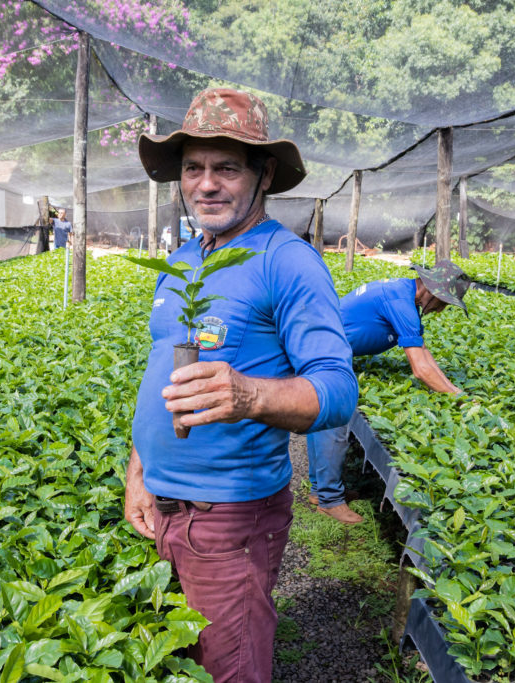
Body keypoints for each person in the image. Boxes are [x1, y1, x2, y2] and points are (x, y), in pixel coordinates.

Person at [124, 87, 358, 682]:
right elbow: (161, 374)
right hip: (167, 509)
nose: (206, 184)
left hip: (229, 518)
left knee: (230, 668)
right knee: (187, 660)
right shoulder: (182, 262)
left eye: (226, 168)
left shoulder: (288, 261)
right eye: (193, 168)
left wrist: (248, 395)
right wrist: (140, 470)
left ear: (264, 174)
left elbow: (336, 390)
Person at [307, 260, 472, 524]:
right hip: (323, 352)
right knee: (333, 419)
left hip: (326, 348)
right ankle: (329, 500)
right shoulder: (401, 303)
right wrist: (458, 400)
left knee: (324, 420)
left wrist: (457, 392)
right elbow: (420, 369)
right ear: (431, 291)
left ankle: (320, 491)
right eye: (444, 302)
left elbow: (424, 354)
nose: (441, 310)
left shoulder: (402, 294)